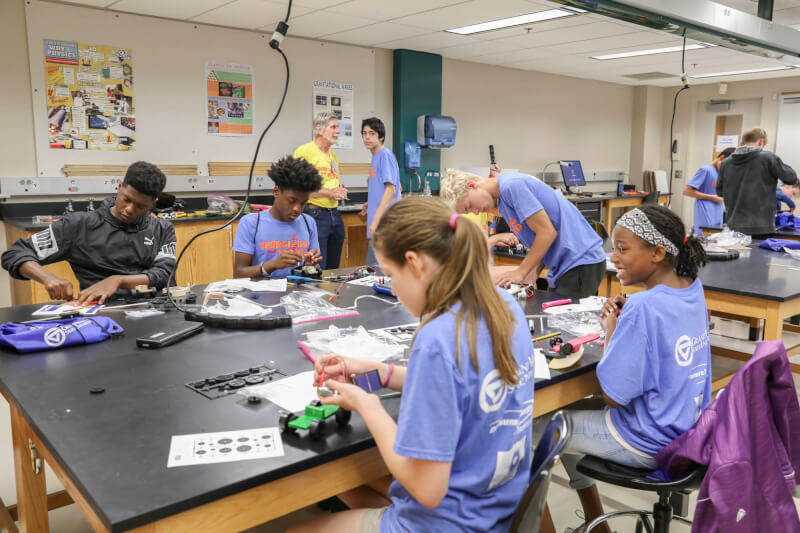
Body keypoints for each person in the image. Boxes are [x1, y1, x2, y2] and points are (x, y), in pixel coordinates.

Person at [287, 197, 536, 533]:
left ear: (415, 264)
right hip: (494, 506)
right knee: (345, 483)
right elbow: (464, 384)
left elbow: (426, 490)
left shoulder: (437, 337)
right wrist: (381, 373)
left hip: (449, 521)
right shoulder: (503, 305)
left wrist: (368, 405)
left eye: (389, 275)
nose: (392, 287)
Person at [547, 205, 711, 533]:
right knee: (564, 416)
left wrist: (612, 330)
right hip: (688, 432)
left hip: (646, 440)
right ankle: (598, 524)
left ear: (658, 252)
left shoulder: (643, 306)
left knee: (534, 432)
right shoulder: (692, 289)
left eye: (623, 249)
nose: (614, 257)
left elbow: (613, 395)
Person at [2, 161, 176, 304]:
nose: (129, 209)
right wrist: (47, 277)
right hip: (100, 315)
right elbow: (15, 253)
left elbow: (164, 274)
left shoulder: (162, 229)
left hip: (152, 311)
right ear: (120, 187)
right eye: (127, 200)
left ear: (153, 203)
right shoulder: (79, 225)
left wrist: (118, 280)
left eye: (140, 206)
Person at [440, 169, 606, 299]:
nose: (475, 212)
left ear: (471, 186)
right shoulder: (503, 203)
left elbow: (547, 233)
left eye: (470, 206)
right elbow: (541, 241)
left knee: (564, 327)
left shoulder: (512, 187)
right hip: (565, 266)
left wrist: (521, 272)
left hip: (580, 262)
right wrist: (531, 273)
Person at [233, 156, 323, 279]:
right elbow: (239, 274)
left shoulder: (308, 222)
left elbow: (313, 269)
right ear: (276, 192)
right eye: (292, 201)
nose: (297, 209)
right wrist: (272, 265)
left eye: (303, 203)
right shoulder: (251, 223)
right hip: (261, 295)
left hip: (298, 295)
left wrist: (311, 265)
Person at [716, 126, 798, 236]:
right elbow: (791, 178)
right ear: (760, 142)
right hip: (761, 228)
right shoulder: (768, 158)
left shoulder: (725, 163)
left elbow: (720, 192)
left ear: (743, 142)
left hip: (733, 227)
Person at [294, 111, 347, 269]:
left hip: (334, 214)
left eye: (338, 127)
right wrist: (329, 193)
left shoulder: (333, 156)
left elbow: (331, 183)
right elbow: (298, 187)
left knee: (333, 270)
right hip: (315, 215)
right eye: (333, 127)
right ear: (320, 129)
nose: (338, 131)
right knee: (317, 268)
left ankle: (331, 294)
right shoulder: (304, 151)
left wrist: (339, 191)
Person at [359, 117, 401, 265]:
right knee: (375, 269)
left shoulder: (385, 155)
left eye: (372, 133)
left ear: (381, 136)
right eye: (364, 133)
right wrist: (370, 203)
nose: (367, 137)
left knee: (376, 270)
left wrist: (376, 220)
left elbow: (392, 188)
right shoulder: (376, 156)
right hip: (379, 221)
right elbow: (395, 186)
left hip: (385, 223)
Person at [682, 147, 735, 235]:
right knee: (705, 238)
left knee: (715, 238)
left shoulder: (720, 173)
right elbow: (687, 191)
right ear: (721, 158)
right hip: (705, 210)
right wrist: (711, 197)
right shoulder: (705, 170)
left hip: (718, 209)